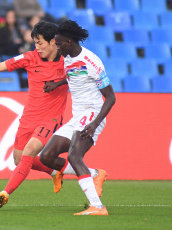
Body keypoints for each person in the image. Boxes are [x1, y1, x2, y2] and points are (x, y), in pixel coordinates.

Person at [0, 21, 105, 210]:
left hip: (51, 119)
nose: (37, 47)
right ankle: (59, 172)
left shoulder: (66, 61)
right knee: (19, 160)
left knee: (29, 151)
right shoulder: (29, 57)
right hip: (28, 118)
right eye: (35, 43)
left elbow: (81, 75)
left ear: (52, 42)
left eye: (40, 43)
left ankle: (5, 193)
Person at [40, 20, 116, 215]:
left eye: (58, 43)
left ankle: (97, 207)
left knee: (74, 156)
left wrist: (95, 122)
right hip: (77, 115)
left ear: (70, 41)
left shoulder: (92, 62)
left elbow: (111, 96)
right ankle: (94, 174)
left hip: (92, 113)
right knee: (46, 157)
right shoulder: (67, 57)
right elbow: (73, 74)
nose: (56, 47)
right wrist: (57, 84)